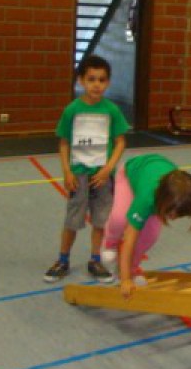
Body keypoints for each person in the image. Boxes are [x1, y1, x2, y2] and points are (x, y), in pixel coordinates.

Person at [101, 153, 191, 299]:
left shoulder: (190, 198)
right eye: (169, 213)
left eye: (177, 215)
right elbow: (129, 239)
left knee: (149, 237)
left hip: (159, 191)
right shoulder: (147, 198)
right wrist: (125, 279)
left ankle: (133, 269)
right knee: (119, 219)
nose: (172, 218)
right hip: (129, 174)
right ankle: (110, 243)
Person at [44, 55, 129, 283]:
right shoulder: (72, 110)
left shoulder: (112, 110)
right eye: (91, 79)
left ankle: (95, 260)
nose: (96, 84)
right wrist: (67, 171)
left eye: (101, 80)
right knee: (73, 220)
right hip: (78, 174)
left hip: (102, 177)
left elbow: (120, 142)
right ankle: (62, 260)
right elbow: (63, 142)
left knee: (101, 220)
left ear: (108, 83)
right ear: (81, 80)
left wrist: (107, 169)